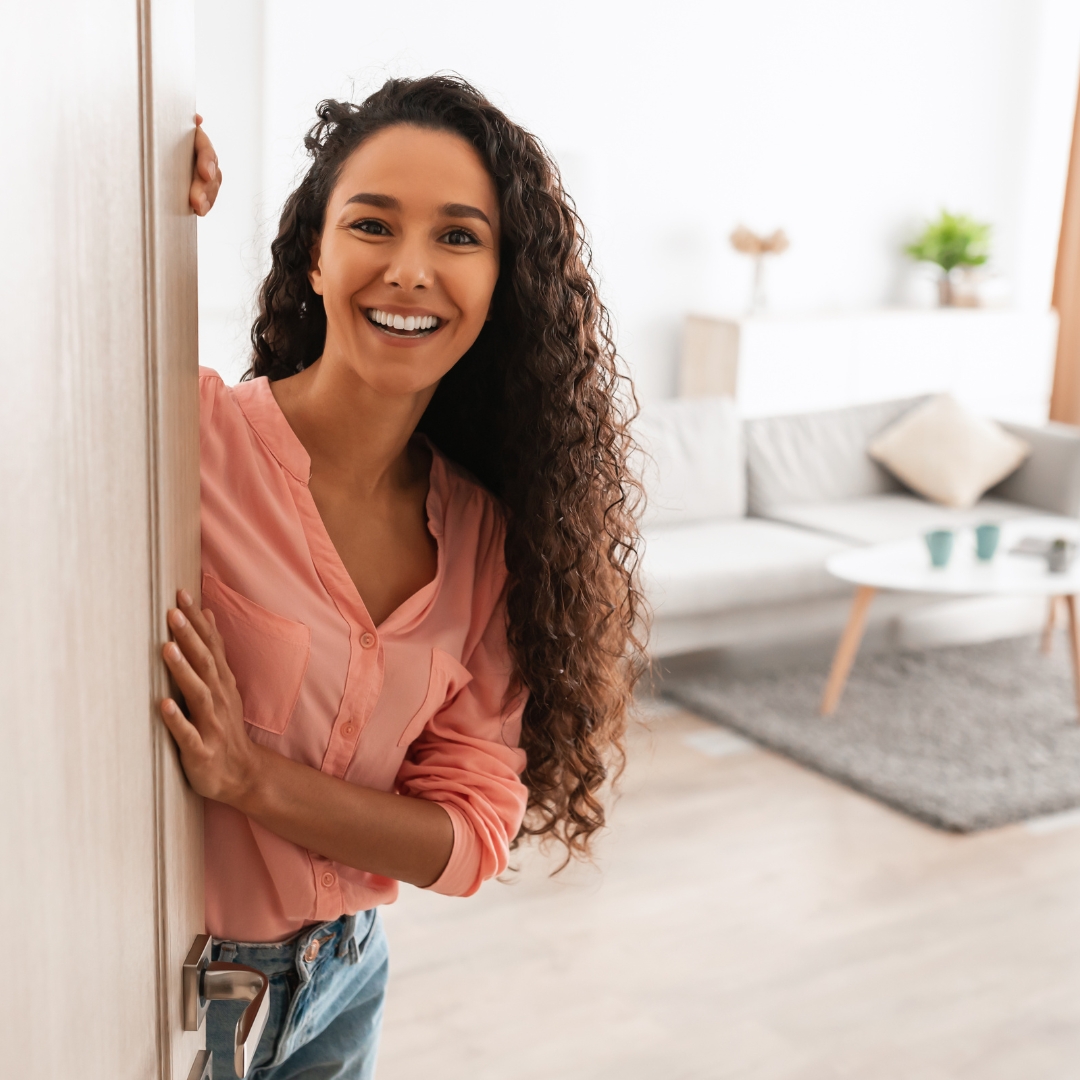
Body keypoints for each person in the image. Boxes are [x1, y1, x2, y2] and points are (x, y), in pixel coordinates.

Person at [166, 75, 644, 1079]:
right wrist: (128, 196)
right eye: (373, 224)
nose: (412, 270)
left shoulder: (483, 535)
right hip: (172, 992)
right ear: (317, 251)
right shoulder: (188, 438)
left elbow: (468, 840)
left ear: (502, 279)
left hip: (343, 979)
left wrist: (250, 779)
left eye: (459, 236)